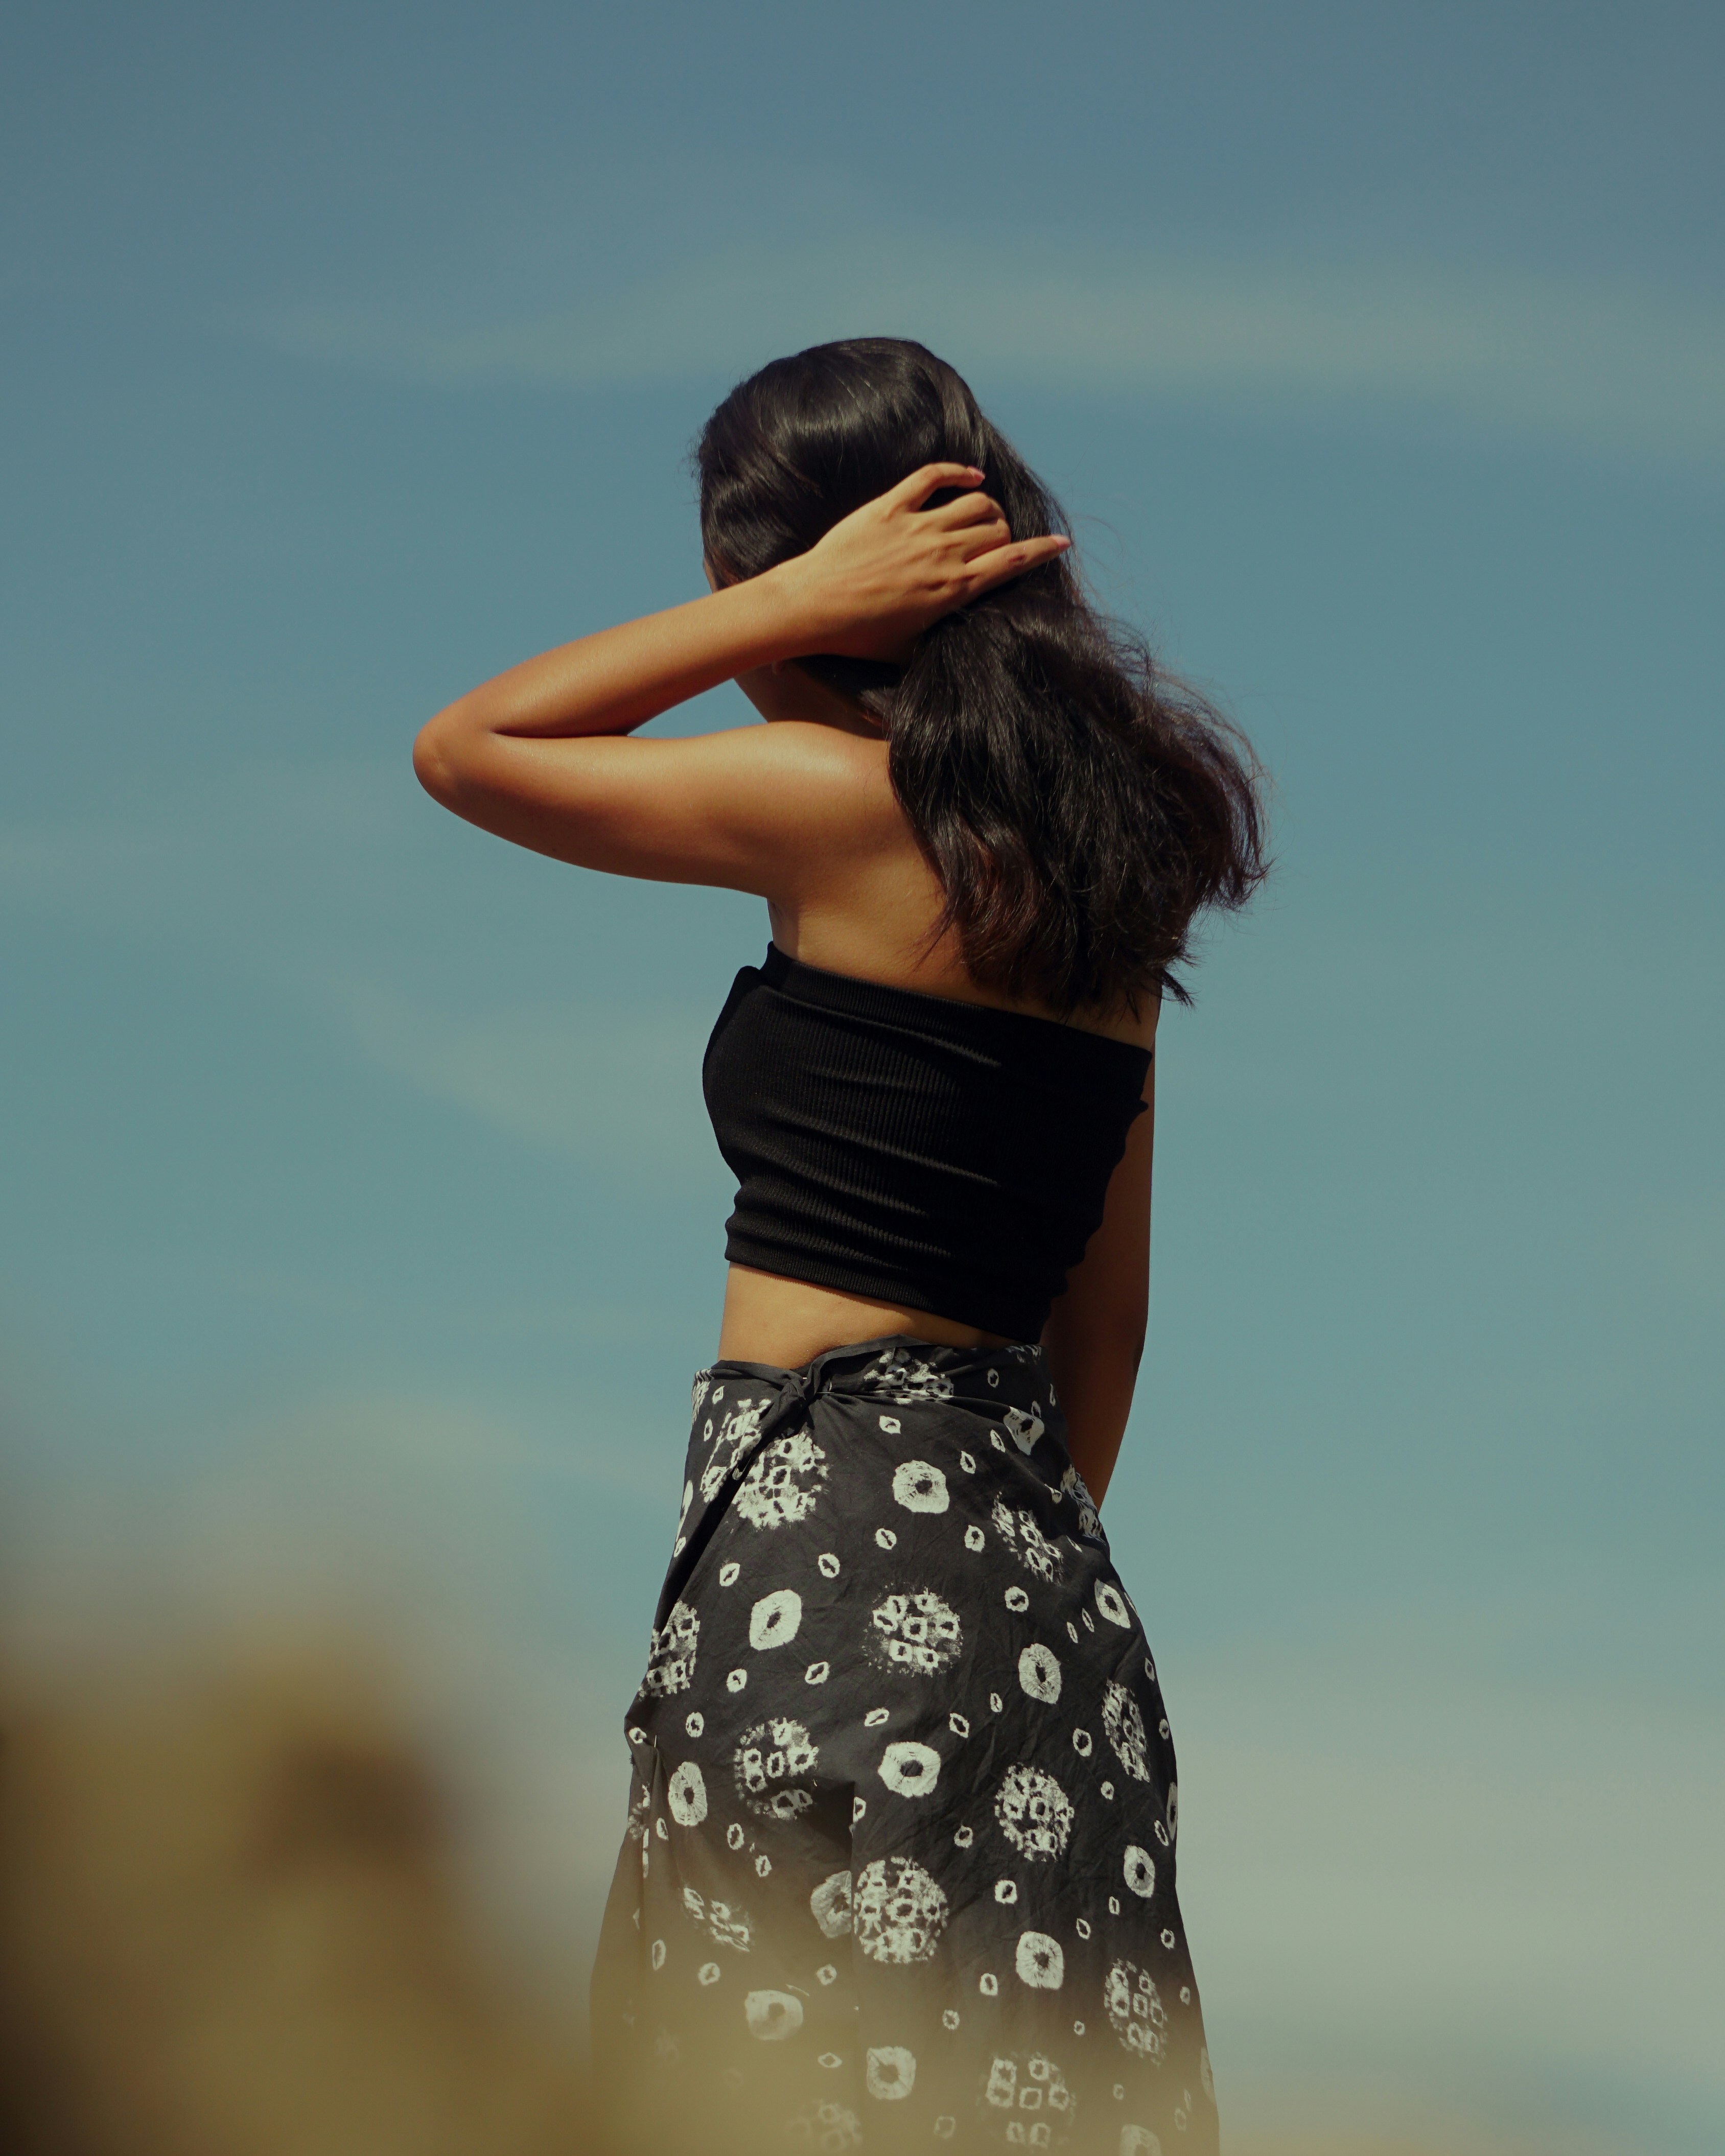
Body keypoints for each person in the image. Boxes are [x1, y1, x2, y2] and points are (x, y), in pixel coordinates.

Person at [414, 339, 1264, 2154]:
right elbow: (1106, 1320)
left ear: (816, 575)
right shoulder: (1102, 879)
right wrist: (998, 1579)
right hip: (1043, 1594)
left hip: (826, 1547)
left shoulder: (835, 803)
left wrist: (787, 607)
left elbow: (469, 750)